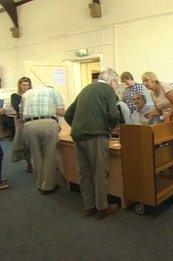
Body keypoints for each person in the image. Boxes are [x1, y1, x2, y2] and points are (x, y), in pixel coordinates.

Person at [64, 68, 121, 219]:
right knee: (100, 172)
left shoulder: (86, 88)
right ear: (112, 81)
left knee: (85, 173)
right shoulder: (107, 89)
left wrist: (79, 126)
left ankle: (89, 207)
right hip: (95, 136)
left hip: (77, 135)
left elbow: (68, 114)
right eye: (117, 84)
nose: (117, 87)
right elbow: (114, 114)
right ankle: (102, 207)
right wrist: (111, 127)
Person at [21, 86, 64, 194]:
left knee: (36, 156)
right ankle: (48, 186)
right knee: (49, 155)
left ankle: (40, 183)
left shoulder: (27, 94)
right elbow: (61, 112)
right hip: (48, 123)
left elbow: (21, 113)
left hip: (29, 124)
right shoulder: (54, 91)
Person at [11, 77, 33, 172]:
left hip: (31, 121)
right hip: (21, 122)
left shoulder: (32, 94)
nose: (25, 87)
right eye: (23, 85)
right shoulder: (15, 96)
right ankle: (29, 163)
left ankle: (34, 162)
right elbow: (17, 107)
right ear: (19, 85)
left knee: (32, 142)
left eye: (27, 85)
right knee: (24, 143)